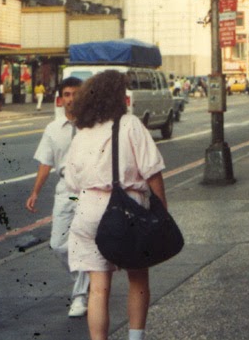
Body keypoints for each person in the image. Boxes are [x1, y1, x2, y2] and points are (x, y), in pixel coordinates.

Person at [64, 70, 168, 340]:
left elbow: (72, 186)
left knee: (98, 288)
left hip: (87, 210)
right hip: (126, 209)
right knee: (137, 278)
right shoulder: (130, 124)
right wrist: (162, 212)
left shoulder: (82, 132)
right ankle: (135, 338)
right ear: (116, 97)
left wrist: (84, 205)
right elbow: (153, 171)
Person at [25, 77, 91, 318]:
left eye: (75, 94)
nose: (71, 99)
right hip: (67, 193)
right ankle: (86, 278)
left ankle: (80, 296)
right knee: (58, 245)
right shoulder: (53, 129)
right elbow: (46, 162)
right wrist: (35, 192)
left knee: (84, 239)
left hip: (89, 191)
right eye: (67, 94)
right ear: (60, 98)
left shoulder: (93, 125)